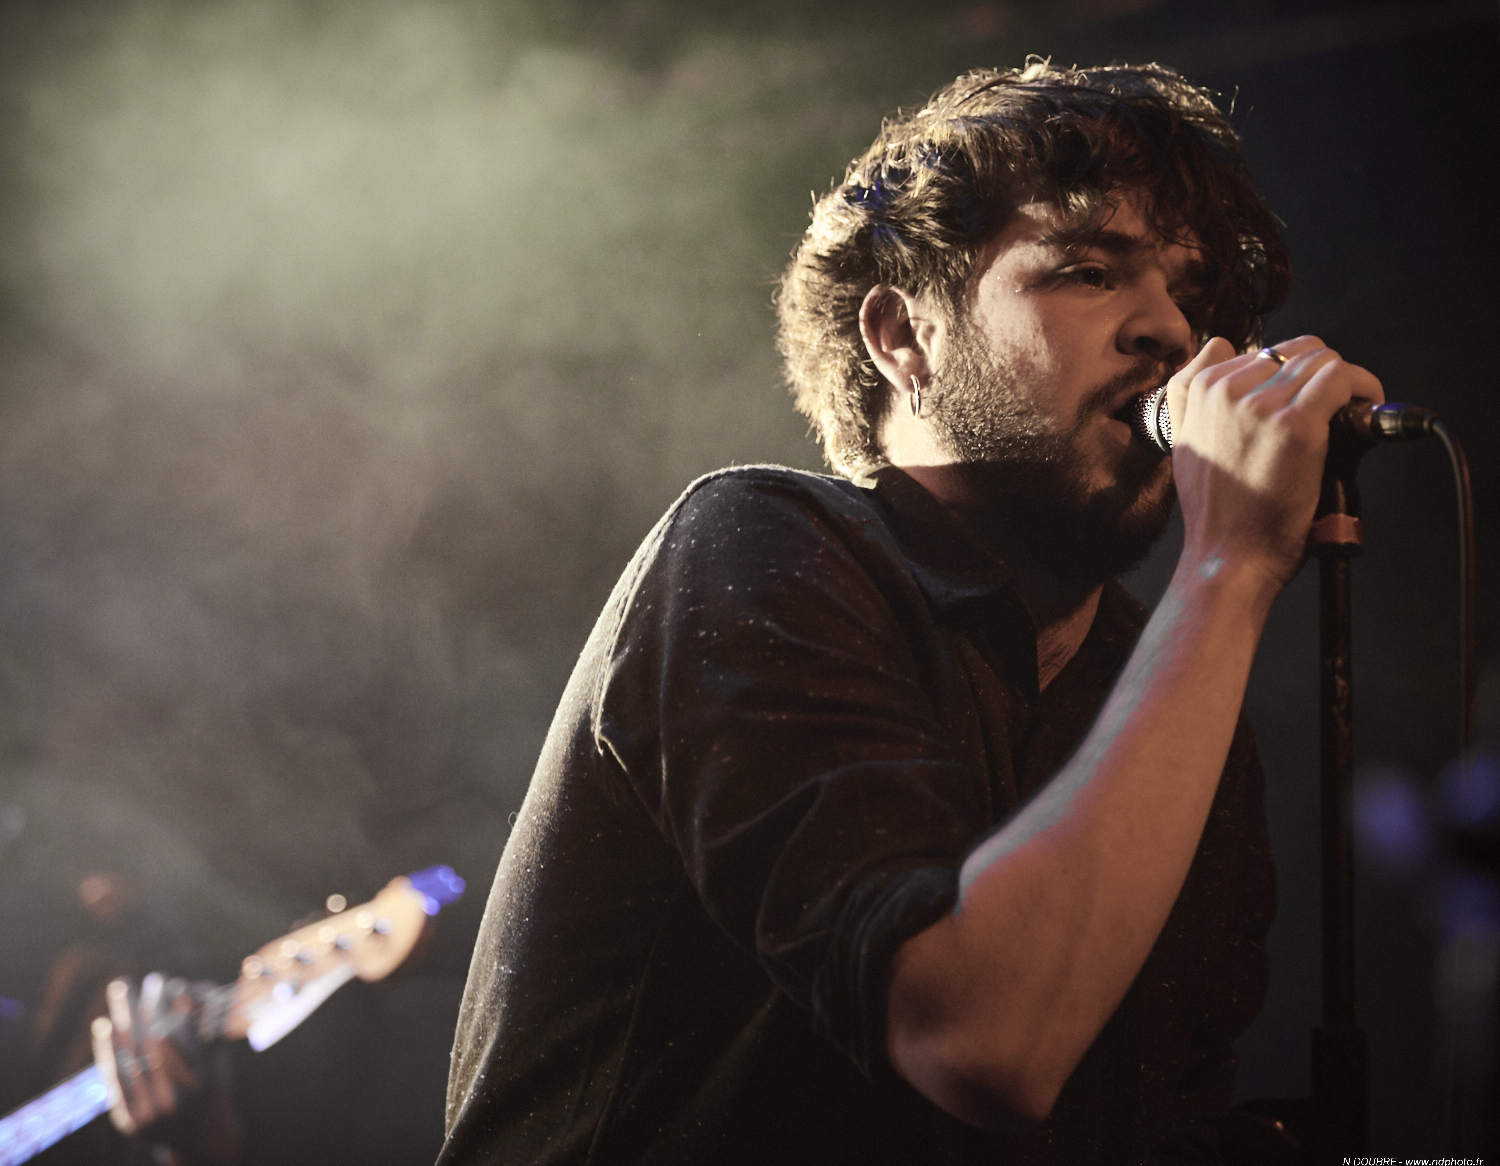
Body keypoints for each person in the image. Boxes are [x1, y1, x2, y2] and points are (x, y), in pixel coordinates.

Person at [438, 61, 1383, 1164]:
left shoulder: (1159, 686)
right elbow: (976, 1037)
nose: (1172, 331)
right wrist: (1228, 569)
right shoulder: (762, 545)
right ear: (903, 337)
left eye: (1192, 293)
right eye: (1089, 271)